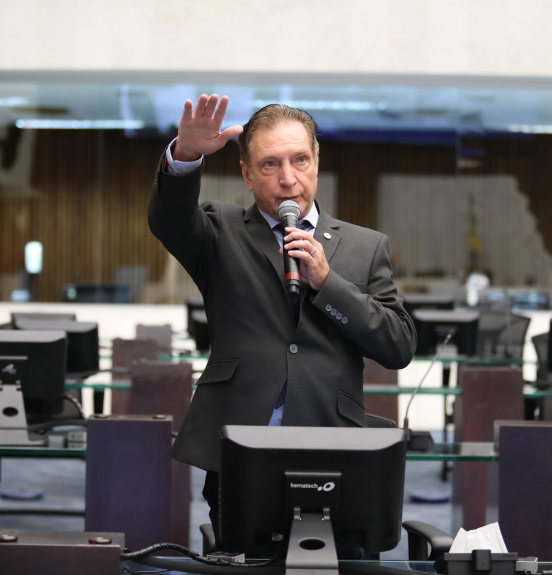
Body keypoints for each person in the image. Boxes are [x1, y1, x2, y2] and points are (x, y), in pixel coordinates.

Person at [148, 93, 417, 545]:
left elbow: (398, 346)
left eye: (300, 160)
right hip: (239, 447)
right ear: (247, 175)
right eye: (270, 165)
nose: (288, 179)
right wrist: (186, 155)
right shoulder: (221, 230)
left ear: (316, 162)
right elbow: (169, 220)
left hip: (333, 446)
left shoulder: (364, 247)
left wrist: (327, 284)